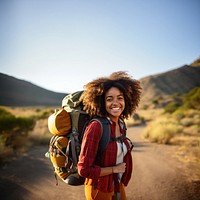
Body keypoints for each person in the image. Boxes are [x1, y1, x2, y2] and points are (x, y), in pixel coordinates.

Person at [77, 71, 141, 200]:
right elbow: (84, 170)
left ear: (127, 100)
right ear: (101, 102)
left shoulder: (121, 124)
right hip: (99, 188)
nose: (115, 103)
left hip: (117, 184)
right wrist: (114, 169)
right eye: (109, 99)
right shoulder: (96, 127)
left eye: (120, 98)